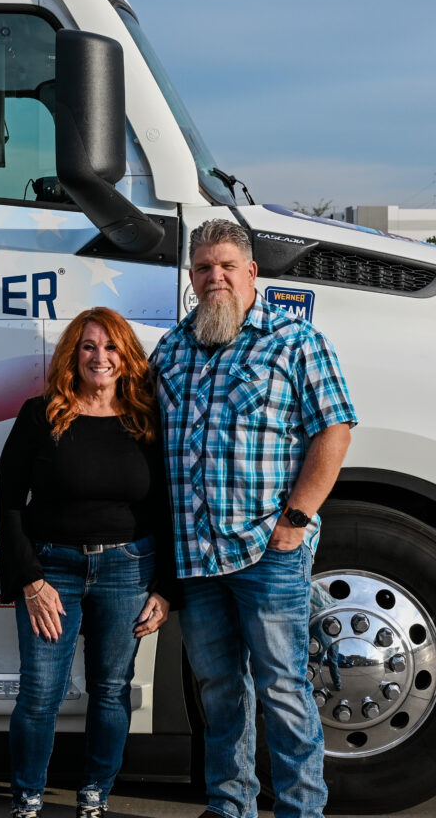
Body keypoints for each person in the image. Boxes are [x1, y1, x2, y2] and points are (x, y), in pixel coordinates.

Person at [150, 218, 356, 818]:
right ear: (192, 279)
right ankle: (229, 805)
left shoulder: (295, 342)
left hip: (268, 550)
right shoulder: (171, 350)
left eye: (227, 267)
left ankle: (300, 810)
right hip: (197, 557)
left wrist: (294, 521)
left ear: (252, 274)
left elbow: (334, 430)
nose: (216, 277)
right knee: (219, 693)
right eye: (204, 268)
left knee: (285, 691)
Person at [0, 307, 175, 818]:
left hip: (128, 570)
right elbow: (9, 500)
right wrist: (29, 579)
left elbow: (165, 508)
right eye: (89, 346)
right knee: (39, 692)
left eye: (111, 347)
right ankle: (27, 799)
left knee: (112, 689)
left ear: (126, 357)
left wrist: (165, 588)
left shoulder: (147, 420)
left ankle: (94, 794)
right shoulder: (40, 414)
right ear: (73, 355)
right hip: (52, 570)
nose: (100, 357)